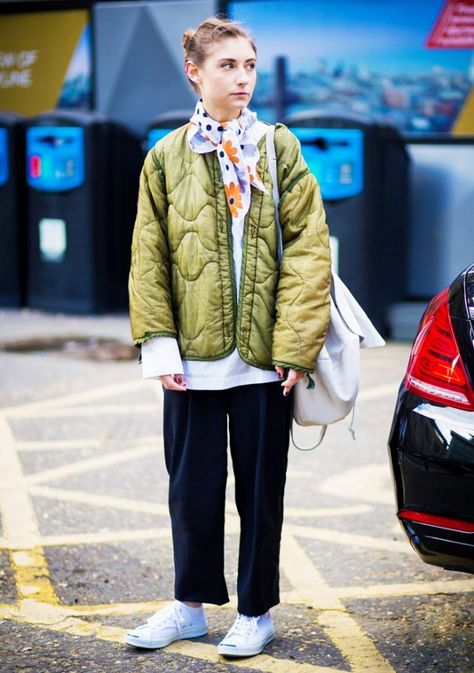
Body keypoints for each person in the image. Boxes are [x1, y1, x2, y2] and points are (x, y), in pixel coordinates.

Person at [126, 16, 331, 658]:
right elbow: (148, 256)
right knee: (191, 488)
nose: (242, 78)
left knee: (260, 492)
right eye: (227, 66)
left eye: (248, 65)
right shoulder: (166, 156)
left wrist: (296, 346)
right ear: (196, 72)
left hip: (264, 358)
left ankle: (255, 611)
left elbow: (307, 249)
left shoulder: (278, 147)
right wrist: (158, 344)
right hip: (190, 357)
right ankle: (189, 606)